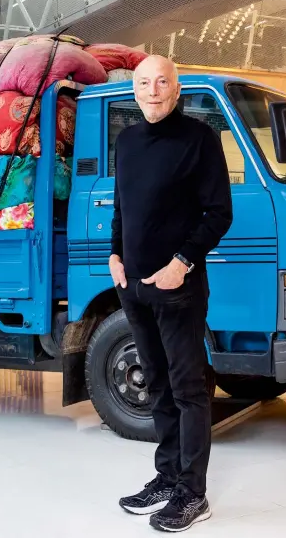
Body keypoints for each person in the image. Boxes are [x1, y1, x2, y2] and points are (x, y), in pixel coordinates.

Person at [109, 55, 233, 533]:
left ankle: (192, 493)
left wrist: (182, 263)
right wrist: (113, 254)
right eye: (144, 83)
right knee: (155, 383)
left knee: (188, 390)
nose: (153, 90)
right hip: (133, 286)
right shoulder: (128, 140)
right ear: (135, 90)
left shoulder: (200, 140)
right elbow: (123, 206)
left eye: (162, 82)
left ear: (177, 88)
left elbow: (218, 213)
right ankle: (166, 475)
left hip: (178, 288)